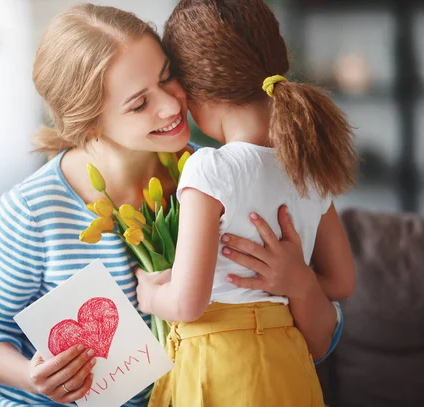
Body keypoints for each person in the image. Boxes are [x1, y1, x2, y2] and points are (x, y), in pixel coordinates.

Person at [0, 3, 344, 407]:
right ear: (89, 123)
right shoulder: (35, 209)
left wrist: (301, 284)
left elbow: (300, 339)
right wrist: (34, 378)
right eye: (139, 104)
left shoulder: (216, 179)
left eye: (168, 78)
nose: (171, 106)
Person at [134, 1, 358, 406]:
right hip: (290, 365)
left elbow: (187, 302)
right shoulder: (308, 166)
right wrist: (291, 281)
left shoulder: (210, 168)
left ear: (194, 90)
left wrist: (149, 297)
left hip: (223, 370)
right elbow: (342, 282)